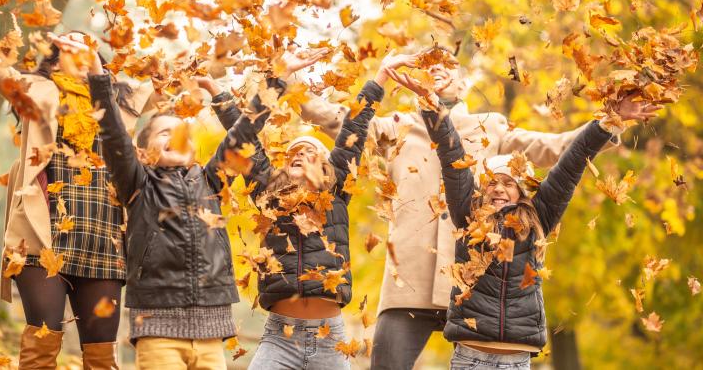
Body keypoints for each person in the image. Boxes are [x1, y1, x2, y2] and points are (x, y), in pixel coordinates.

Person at [291, 47, 618, 369]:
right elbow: (342, 121)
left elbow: (557, 148)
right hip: (409, 282)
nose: (436, 68)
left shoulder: (491, 127)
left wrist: (612, 121)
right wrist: (286, 77)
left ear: (463, 83)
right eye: (428, 64)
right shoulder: (396, 127)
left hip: (477, 287)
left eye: (447, 64)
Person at [0, 6, 155, 369]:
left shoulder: (118, 103)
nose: (80, 57)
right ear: (53, 61)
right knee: (40, 351)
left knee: (102, 358)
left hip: (103, 238)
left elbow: (180, 75)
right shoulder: (33, 90)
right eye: (70, 51)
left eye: (88, 52)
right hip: (40, 239)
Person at [388, 67, 660, 369]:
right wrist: (431, 105)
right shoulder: (468, 215)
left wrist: (610, 120)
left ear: (523, 192)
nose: (500, 188)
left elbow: (573, 160)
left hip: (516, 360)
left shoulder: (539, 219)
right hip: (470, 357)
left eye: (509, 183)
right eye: (492, 182)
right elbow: (452, 157)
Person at [87, 49, 317, 369]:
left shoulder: (212, 181)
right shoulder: (138, 182)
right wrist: (97, 76)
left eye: (181, 132)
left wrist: (276, 78)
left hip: (211, 331)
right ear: (141, 151)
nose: (175, 137)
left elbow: (243, 133)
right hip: (158, 329)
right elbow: (113, 134)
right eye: (164, 132)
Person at [212, 51, 410, 369]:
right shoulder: (271, 196)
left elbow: (354, 129)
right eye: (292, 153)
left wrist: (381, 76)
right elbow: (242, 138)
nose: (298, 154)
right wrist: (216, 90)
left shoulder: (336, 192)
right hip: (279, 338)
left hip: (331, 340)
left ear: (327, 167)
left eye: (309, 152)